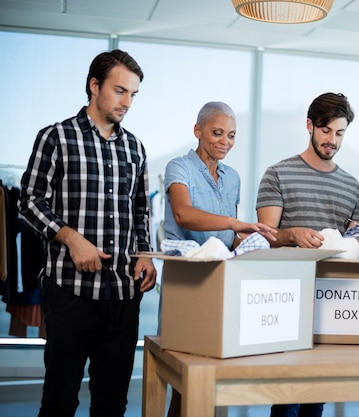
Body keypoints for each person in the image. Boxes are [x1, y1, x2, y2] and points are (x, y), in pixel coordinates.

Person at [18, 49, 157, 417]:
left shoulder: (135, 148)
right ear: (94, 86)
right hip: (70, 293)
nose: (127, 102)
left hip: (123, 296)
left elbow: (141, 210)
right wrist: (70, 237)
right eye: (119, 91)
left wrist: (145, 253)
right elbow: (29, 201)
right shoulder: (56, 137)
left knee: (112, 403)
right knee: (60, 398)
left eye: (133, 94)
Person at [256, 92, 359, 417]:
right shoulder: (277, 174)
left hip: (332, 301)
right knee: (287, 397)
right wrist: (291, 235)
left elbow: (353, 238)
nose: (332, 140)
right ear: (309, 125)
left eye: (339, 133)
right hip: (286, 298)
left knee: (316, 396)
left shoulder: (352, 186)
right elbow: (264, 238)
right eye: (325, 131)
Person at [161, 101, 276, 417]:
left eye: (232, 135)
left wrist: (255, 239)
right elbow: (184, 214)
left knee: (215, 375)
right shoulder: (179, 167)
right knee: (185, 375)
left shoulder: (233, 177)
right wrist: (234, 224)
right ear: (198, 131)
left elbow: (230, 235)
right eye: (217, 133)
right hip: (187, 282)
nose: (225, 141)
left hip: (222, 283)